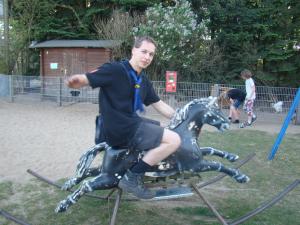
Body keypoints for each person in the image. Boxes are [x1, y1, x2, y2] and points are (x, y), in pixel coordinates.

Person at [65, 36, 181, 199]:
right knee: (174, 140)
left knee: (163, 127)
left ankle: (138, 164)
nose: (147, 57)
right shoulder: (115, 70)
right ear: (133, 50)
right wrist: (77, 80)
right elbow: (89, 78)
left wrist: (180, 116)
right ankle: (132, 178)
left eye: (151, 54)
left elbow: (158, 103)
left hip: (131, 124)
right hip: (119, 129)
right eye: (144, 52)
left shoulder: (143, 79)